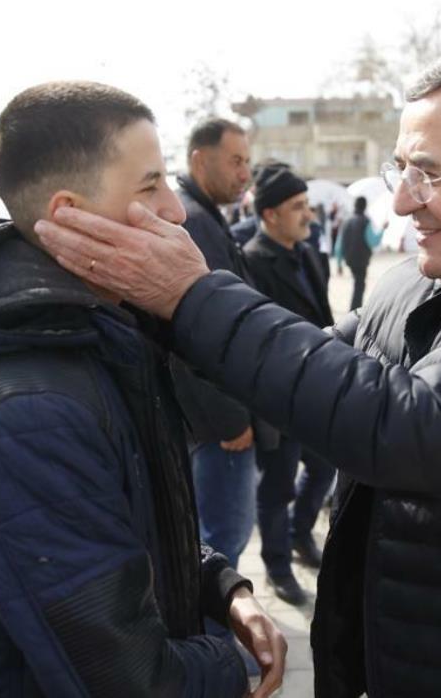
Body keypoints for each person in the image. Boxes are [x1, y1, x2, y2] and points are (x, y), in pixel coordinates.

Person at [37, 50, 441, 697]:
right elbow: (306, 373)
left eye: (430, 174)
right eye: (400, 170)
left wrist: (192, 296)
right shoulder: (421, 279)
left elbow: (416, 428)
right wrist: (144, 308)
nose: (403, 203)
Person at [0, 82, 286, 697]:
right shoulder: (30, 410)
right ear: (69, 213)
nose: (176, 211)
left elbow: (124, 524)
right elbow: (131, 682)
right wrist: (229, 664)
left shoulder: (102, 336)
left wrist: (220, 588)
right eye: (149, 187)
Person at [241, 164, 337, 607]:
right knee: (277, 484)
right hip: (277, 397)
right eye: (298, 207)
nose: (308, 215)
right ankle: (277, 566)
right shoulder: (251, 261)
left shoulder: (309, 253)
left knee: (324, 468)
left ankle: (300, 535)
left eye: (307, 205)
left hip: (315, 388)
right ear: (270, 214)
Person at [173, 118, 257, 572]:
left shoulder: (205, 216)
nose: (245, 174)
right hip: (218, 426)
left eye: (248, 162)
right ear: (200, 161)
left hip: (212, 421)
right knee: (223, 539)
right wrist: (230, 419)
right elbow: (199, 330)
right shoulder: (196, 221)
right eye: (236, 161)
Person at [335, 195, 384, 310]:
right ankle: (355, 309)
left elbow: (339, 244)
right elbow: (373, 241)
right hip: (362, 259)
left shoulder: (346, 221)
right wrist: (382, 229)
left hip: (349, 259)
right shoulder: (366, 221)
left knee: (357, 283)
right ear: (365, 206)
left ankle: (354, 308)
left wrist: (339, 264)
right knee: (360, 285)